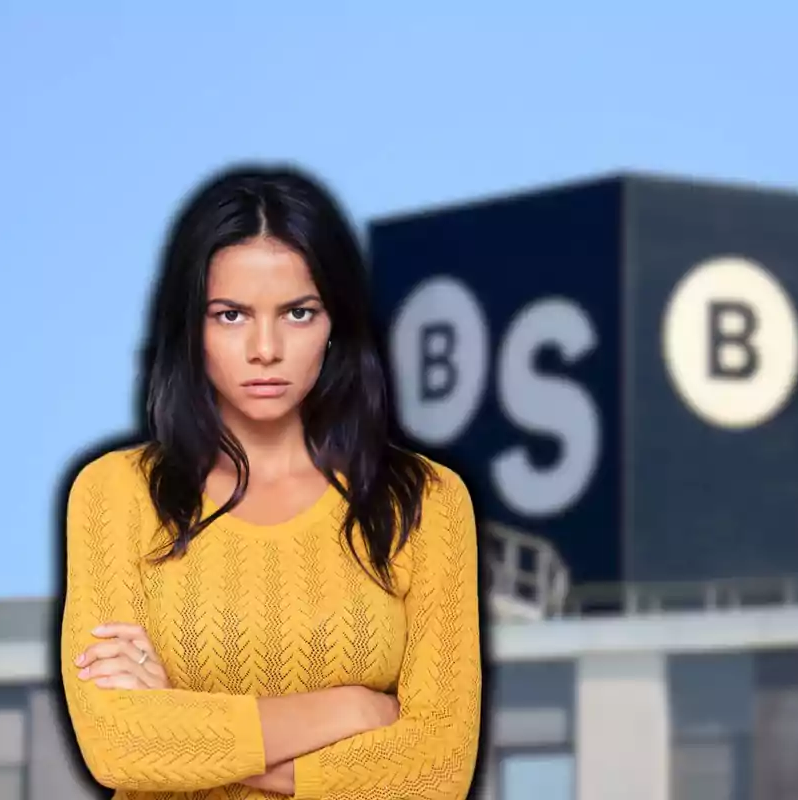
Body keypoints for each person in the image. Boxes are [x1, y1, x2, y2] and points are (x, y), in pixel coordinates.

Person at [59, 164, 482, 799]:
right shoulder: (116, 494)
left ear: (335, 323)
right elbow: (116, 743)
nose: (265, 348)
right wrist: (348, 710)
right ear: (191, 327)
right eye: (230, 315)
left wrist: (185, 721)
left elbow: (439, 771)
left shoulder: (424, 502)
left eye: (297, 313)